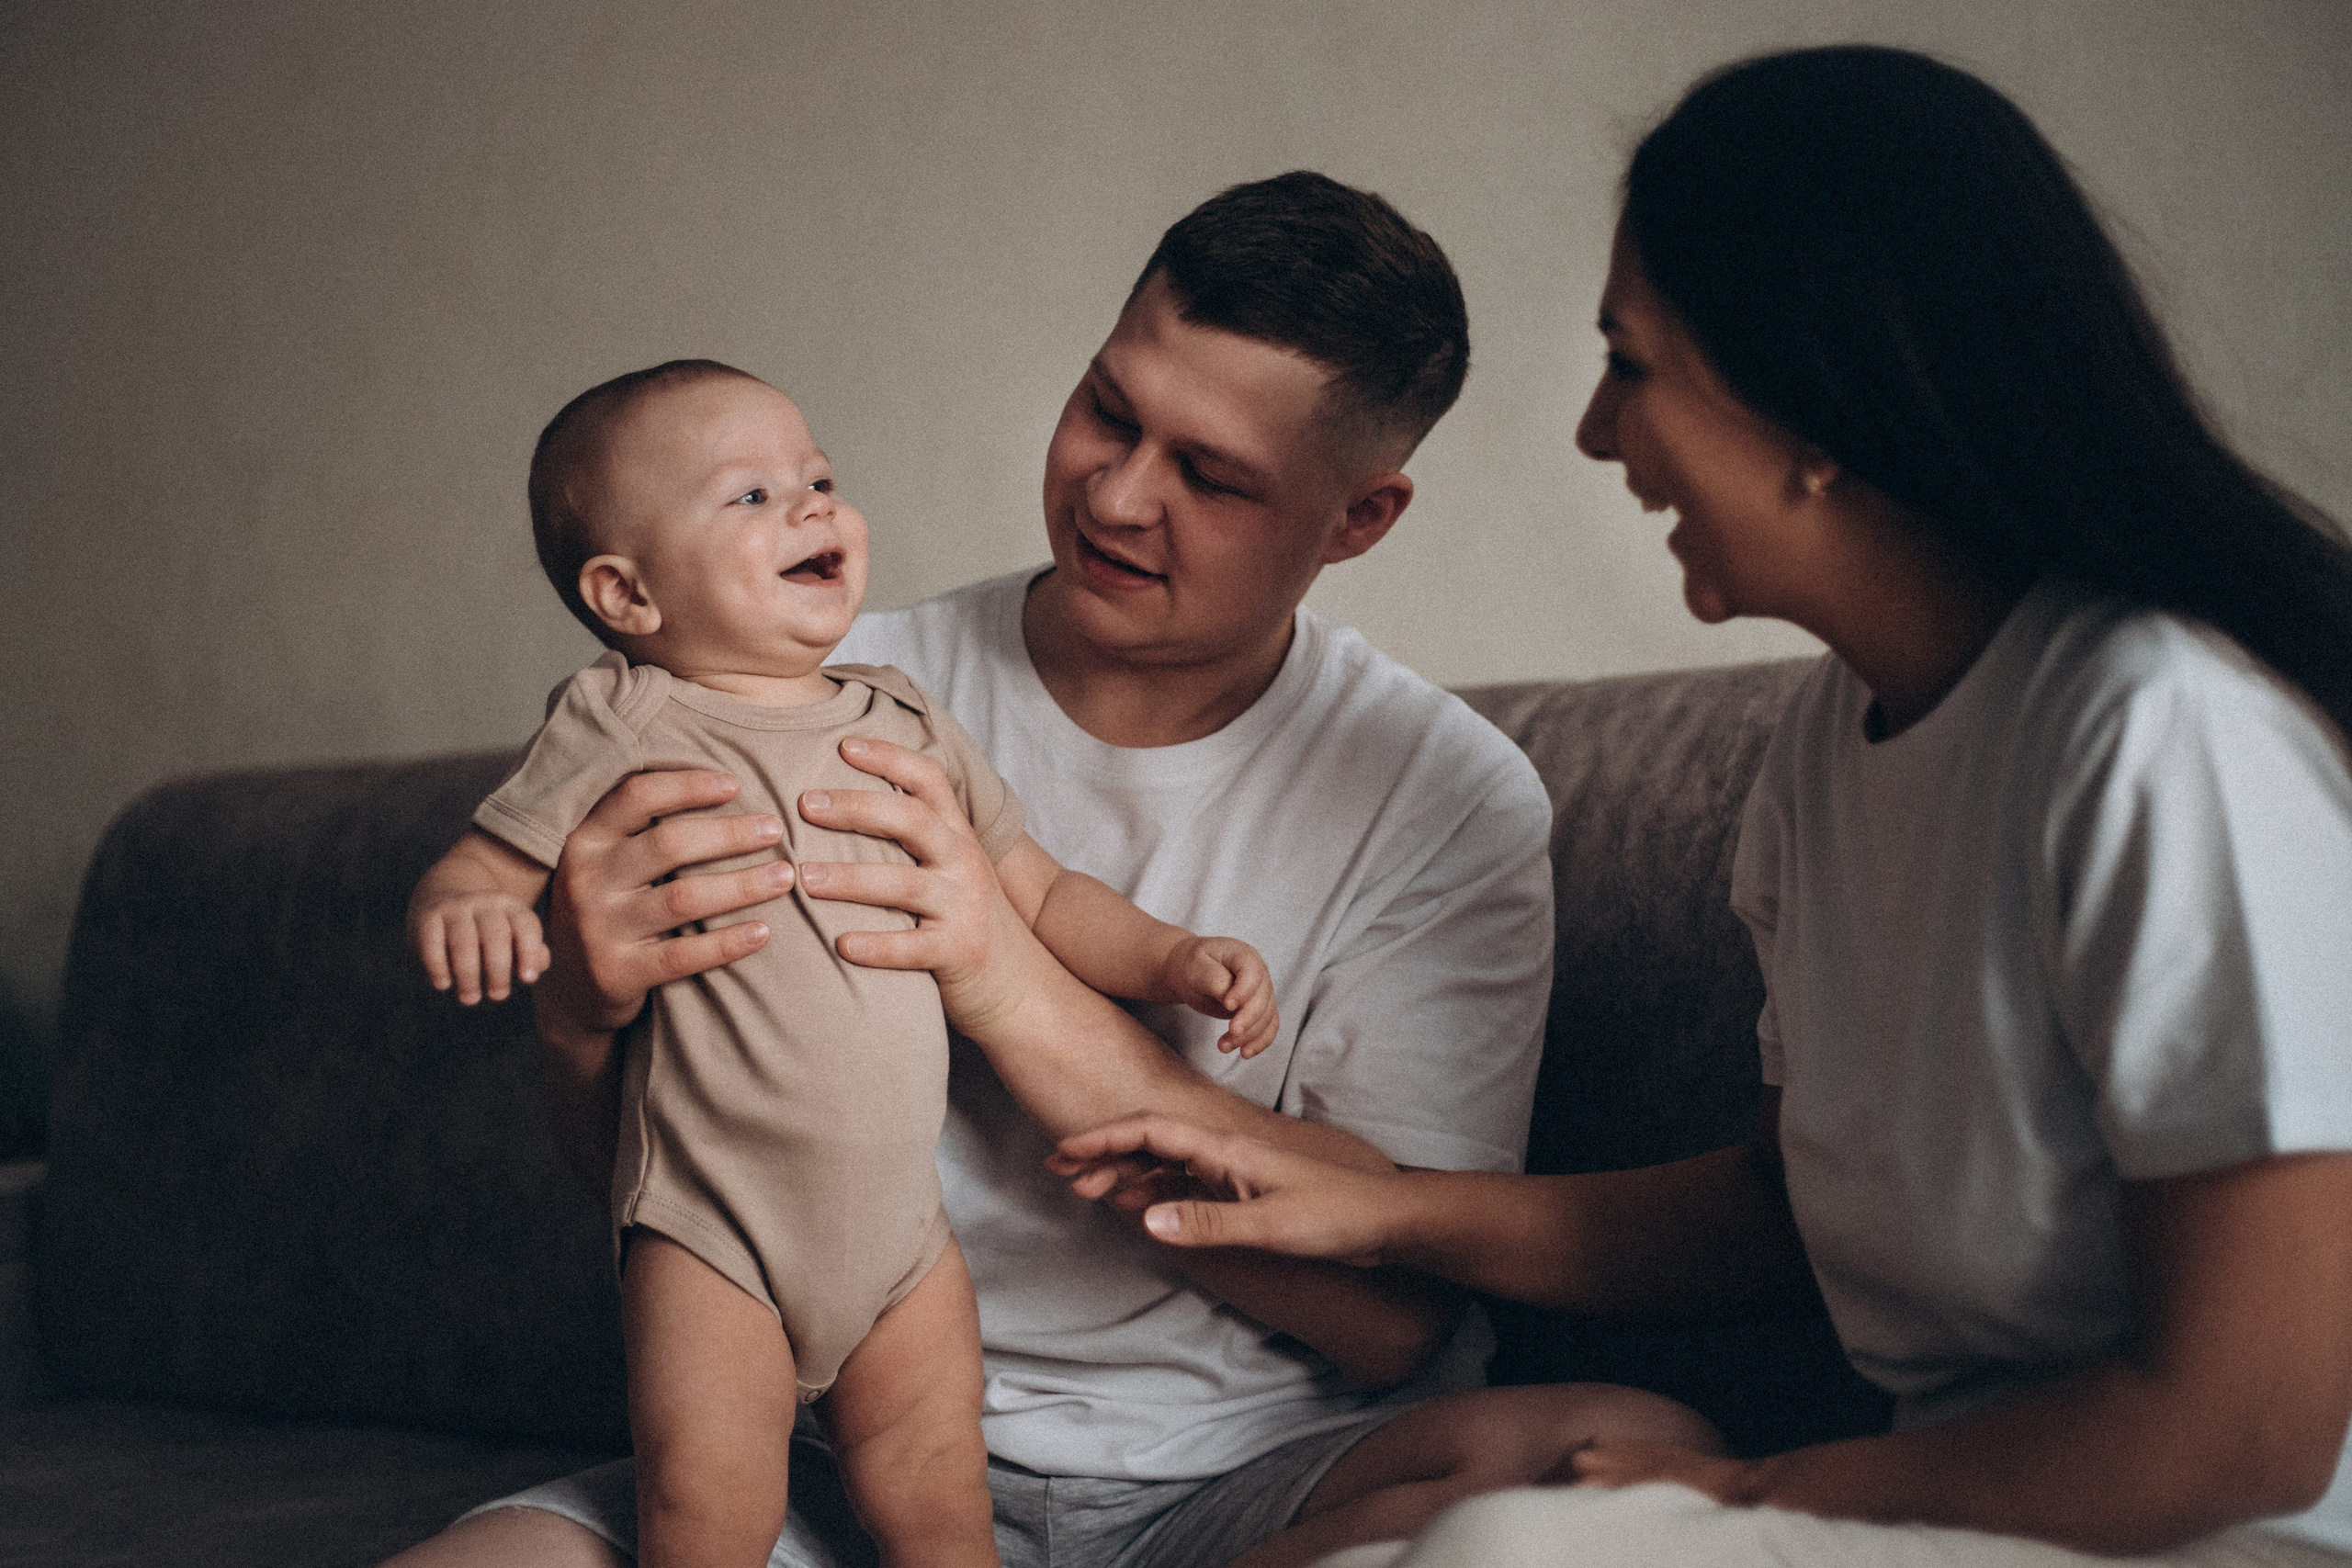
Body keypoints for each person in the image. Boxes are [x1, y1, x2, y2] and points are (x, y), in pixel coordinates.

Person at [1049, 46, 2352, 1568]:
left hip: (2220, 1538)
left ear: (1811, 406)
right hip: (1946, 1508)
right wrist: (1375, 1204)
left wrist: (1748, 1499)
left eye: (1633, 363)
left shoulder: (2160, 734)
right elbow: (1780, 1213)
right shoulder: (1826, 749)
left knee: (1502, 1556)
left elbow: (2248, 1431)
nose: (1601, 435)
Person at [390, 173, 1706, 1568]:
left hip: (1262, 1472)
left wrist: (1005, 979)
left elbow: (1391, 1323)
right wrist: (581, 1016)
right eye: (1108, 411)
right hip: (846, 1455)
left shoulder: (1443, 800)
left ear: (1358, 519)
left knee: (1648, 1469)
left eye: (1209, 476)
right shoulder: (808, 689)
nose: (1119, 495)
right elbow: (663, 1185)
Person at [407, 361, 1283, 1568]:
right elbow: (485, 864)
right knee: (708, 1509)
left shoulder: (902, 716)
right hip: (716, 1232)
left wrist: (1174, 956)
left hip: (901, 1238)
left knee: (935, 1490)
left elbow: (1043, 893)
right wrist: (473, 911)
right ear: (629, 591)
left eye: (820, 478)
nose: (813, 507)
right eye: (752, 496)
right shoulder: (622, 719)